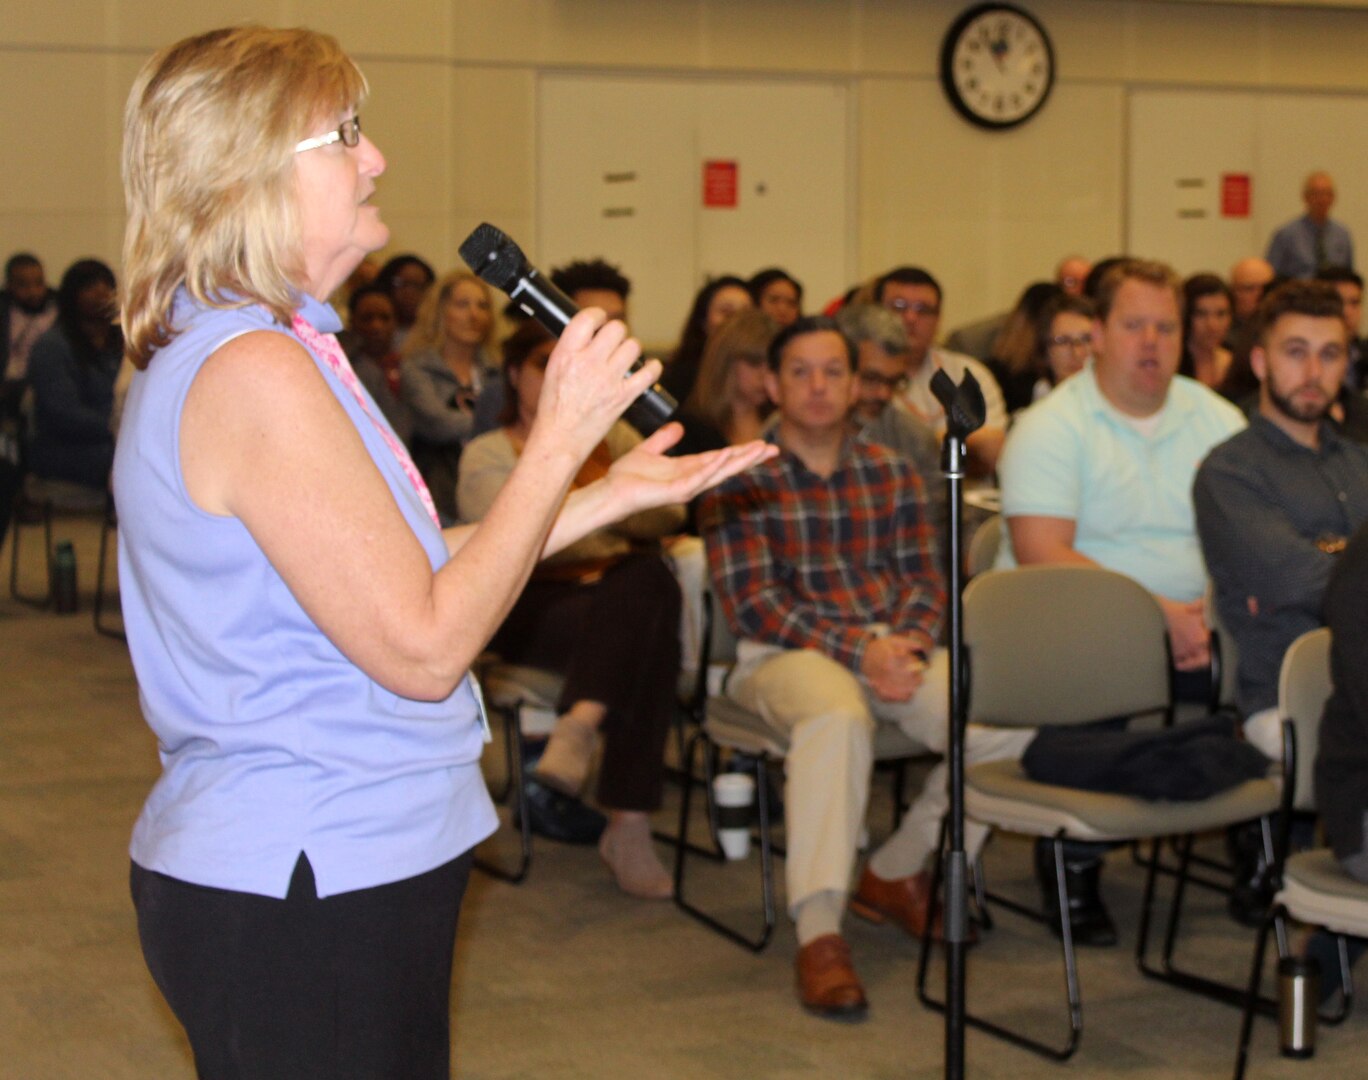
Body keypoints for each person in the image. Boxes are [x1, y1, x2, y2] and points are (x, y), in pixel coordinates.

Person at [115, 26, 773, 1078]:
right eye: (344, 136)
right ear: (247, 178)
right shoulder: (253, 371)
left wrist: (598, 495)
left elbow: (398, 567)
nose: (374, 158)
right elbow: (424, 648)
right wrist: (558, 437)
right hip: (306, 867)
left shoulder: (270, 348)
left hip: (330, 856)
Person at [699, 316, 1031, 1019]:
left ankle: (898, 865)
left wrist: (906, 644)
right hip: (783, 657)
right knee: (836, 714)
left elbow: (925, 579)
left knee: (1000, 723)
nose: (818, 387)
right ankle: (820, 931)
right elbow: (755, 605)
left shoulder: (891, 469)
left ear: (856, 385)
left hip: (891, 646)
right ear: (770, 382)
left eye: (832, 373)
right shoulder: (739, 475)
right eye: (800, 372)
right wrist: (863, 653)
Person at [997, 258, 1246, 945]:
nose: (1152, 343)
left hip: (1201, 618)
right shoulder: (1053, 425)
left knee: (1284, 653)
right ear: (1098, 332)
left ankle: (1261, 838)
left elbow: (1244, 541)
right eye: (1134, 325)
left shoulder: (1218, 419)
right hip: (1077, 619)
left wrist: (1205, 612)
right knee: (1113, 665)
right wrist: (1156, 616)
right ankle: (1073, 858)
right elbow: (1044, 551)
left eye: (1166, 327)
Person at [458, 320, 685, 895]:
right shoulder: (488, 450)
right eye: (543, 362)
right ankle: (628, 825)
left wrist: (591, 513)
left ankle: (581, 724)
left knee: (647, 580)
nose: (560, 373)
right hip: (531, 603)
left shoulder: (617, 438)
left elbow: (671, 512)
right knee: (646, 603)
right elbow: (509, 542)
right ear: (515, 374)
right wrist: (613, 502)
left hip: (614, 593)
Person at [1195, 280, 1368, 759]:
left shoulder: (1360, 463)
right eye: (1296, 352)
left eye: (1330, 354)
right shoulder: (1229, 472)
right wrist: (1352, 555)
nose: (1313, 371)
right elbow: (1298, 582)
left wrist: (1332, 548)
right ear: (1259, 362)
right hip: (1289, 700)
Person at [875, 266, 1008, 474]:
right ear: (876, 312)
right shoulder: (861, 378)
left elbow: (992, 450)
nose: (910, 318)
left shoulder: (967, 372)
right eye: (899, 307)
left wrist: (924, 443)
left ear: (939, 319)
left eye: (923, 310)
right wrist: (954, 439)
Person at [398, 268, 499, 523]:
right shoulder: (417, 367)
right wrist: (494, 425)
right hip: (437, 491)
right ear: (440, 312)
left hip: (492, 486)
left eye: (482, 306)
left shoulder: (496, 371)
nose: (474, 315)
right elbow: (437, 423)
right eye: (462, 305)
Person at [26, 258, 123, 491]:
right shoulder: (52, 346)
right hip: (64, 447)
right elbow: (63, 414)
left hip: (117, 436)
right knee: (134, 460)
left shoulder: (125, 343)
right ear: (71, 295)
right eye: (90, 286)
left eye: (107, 285)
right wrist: (118, 428)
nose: (101, 293)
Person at [675, 308, 777, 458]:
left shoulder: (784, 423)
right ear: (725, 364)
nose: (765, 375)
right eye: (754, 363)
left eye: (773, 365)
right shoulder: (689, 430)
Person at [660, 275, 753, 403]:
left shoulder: (763, 377)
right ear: (703, 321)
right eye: (726, 312)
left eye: (745, 314)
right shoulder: (678, 379)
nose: (736, 321)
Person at [344, 283, 412, 442]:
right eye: (367, 318)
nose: (376, 326)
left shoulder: (410, 367)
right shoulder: (342, 370)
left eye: (384, 318)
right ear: (351, 322)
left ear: (396, 322)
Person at [1266, 171, 1354, 279]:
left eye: (1327, 194)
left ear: (1333, 198)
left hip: (1332, 294)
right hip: (1299, 293)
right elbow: (1271, 274)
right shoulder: (1286, 235)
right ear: (1305, 197)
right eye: (1316, 194)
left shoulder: (1342, 235)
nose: (1322, 199)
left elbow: (1349, 276)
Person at [1180, 273, 1235, 393]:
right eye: (1201, 314)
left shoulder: (1237, 364)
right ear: (1186, 316)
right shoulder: (1173, 363)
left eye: (1221, 314)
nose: (1212, 325)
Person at [376, 252, 435, 349]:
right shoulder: (373, 331)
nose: (409, 292)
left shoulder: (436, 335)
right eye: (401, 283)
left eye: (417, 285)